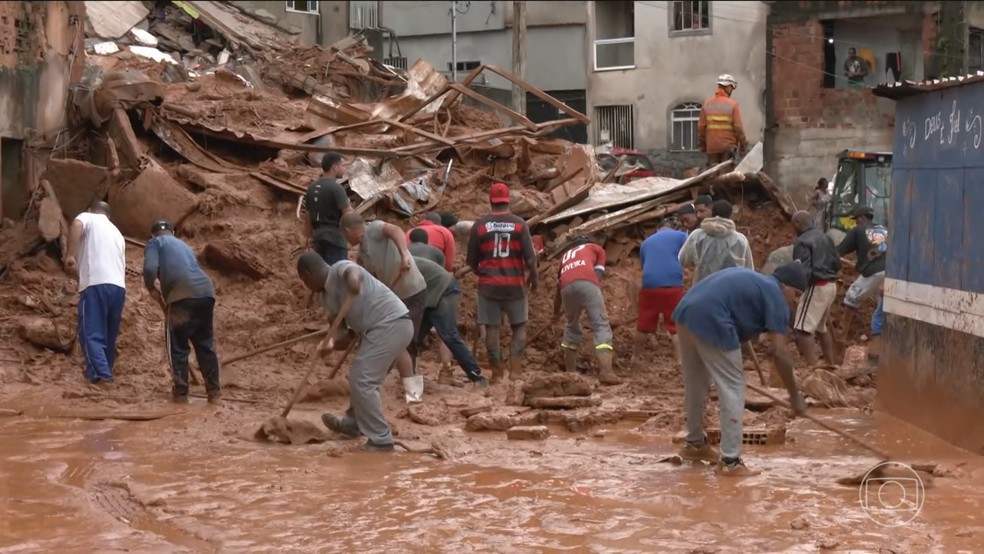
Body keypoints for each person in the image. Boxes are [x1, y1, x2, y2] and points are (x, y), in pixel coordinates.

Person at [672, 263, 809, 476]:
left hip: (686, 311)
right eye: (797, 294)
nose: (795, 301)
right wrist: (795, 397)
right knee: (733, 388)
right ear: (785, 286)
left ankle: (695, 444)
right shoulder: (775, 295)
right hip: (712, 317)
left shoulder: (756, 283)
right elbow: (780, 353)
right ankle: (730, 461)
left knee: (695, 385)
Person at [297, 253, 413, 452]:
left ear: (307, 275)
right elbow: (342, 334)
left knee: (363, 380)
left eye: (303, 281)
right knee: (359, 377)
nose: (306, 286)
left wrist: (353, 283)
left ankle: (381, 440)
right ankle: (354, 422)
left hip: (391, 323)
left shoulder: (339, 268)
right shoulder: (325, 297)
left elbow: (354, 275)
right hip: (377, 331)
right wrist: (330, 343)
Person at [341, 212, 428, 402]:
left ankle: (414, 394)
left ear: (348, 231)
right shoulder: (363, 253)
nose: (346, 241)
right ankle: (372, 383)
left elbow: (395, 230)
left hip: (412, 290)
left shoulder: (374, 228)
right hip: (393, 298)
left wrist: (404, 255)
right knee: (393, 341)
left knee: (405, 342)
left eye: (345, 236)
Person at [466, 182, 539, 384]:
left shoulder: (480, 226)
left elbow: (471, 262)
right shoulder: (520, 224)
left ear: (491, 201)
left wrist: (482, 273)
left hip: (489, 286)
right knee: (519, 327)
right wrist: (534, 278)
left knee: (491, 328)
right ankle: (515, 371)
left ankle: (497, 373)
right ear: (508, 201)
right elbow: (530, 258)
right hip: (515, 285)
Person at [143, 219, 222, 403]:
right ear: (172, 232)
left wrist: (151, 287)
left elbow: (149, 268)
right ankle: (214, 393)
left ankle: (180, 394)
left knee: (177, 346)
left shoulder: (155, 242)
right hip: (205, 293)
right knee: (205, 344)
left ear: (153, 234)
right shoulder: (184, 245)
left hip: (181, 295)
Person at [64, 201, 126, 387]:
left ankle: (100, 377)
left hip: (96, 285)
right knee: (109, 334)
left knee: (91, 332)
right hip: (118, 287)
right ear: (108, 215)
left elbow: (76, 224)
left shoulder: (88, 217)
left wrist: (70, 254)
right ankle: (107, 373)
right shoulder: (117, 233)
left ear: (91, 210)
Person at [551, 236, 620, 385]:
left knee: (571, 326)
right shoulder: (596, 248)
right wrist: (592, 291)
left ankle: (570, 373)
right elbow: (598, 274)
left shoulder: (565, 256)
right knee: (600, 325)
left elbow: (559, 286)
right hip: (588, 282)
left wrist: (556, 313)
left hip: (565, 289)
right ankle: (606, 373)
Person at [414, 256, 489, 388]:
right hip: (427, 294)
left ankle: (476, 376)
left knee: (448, 334)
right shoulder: (390, 265)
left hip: (443, 289)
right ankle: (408, 379)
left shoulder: (398, 263)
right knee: (412, 338)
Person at [632, 220, 689, 369]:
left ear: (658, 229)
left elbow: (644, 265)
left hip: (649, 285)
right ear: (673, 228)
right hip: (672, 285)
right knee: (676, 326)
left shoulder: (646, 243)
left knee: (643, 324)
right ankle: (680, 362)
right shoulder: (681, 236)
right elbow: (689, 255)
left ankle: (635, 358)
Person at [837, 205, 888, 365]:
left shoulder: (858, 230)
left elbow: (840, 250)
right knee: (882, 312)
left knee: (850, 298)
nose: (856, 222)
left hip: (874, 272)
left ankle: (841, 338)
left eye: (856, 219)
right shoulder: (884, 230)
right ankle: (880, 352)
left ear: (861, 218)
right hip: (890, 273)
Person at [790, 210, 840, 366]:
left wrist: (796, 287)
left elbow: (802, 269)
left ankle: (813, 368)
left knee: (802, 330)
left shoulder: (802, 242)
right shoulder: (826, 237)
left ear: (797, 223)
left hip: (816, 286)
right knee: (820, 327)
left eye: (793, 225)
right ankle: (830, 364)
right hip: (831, 285)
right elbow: (838, 264)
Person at [679, 199, 755, 284]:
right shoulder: (740, 240)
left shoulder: (697, 235)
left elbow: (682, 260)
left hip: (704, 288)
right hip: (731, 288)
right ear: (730, 215)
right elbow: (749, 270)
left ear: (712, 213)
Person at [301, 153, 352, 265]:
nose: (344, 169)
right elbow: (347, 214)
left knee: (322, 271)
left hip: (318, 238)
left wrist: (308, 237)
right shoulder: (337, 188)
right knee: (336, 271)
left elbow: (308, 215)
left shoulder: (311, 188)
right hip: (335, 239)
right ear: (334, 167)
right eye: (342, 165)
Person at [698, 74, 748, 167]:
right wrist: (743, 144)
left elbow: (701, 128)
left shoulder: (707, 104)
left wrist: (703, 146)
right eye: (732, 88)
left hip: (712, 147)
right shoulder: (733, 104)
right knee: (726, 173)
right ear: (729, 87)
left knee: (712, 173)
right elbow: (738, 127)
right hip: (728, 147)